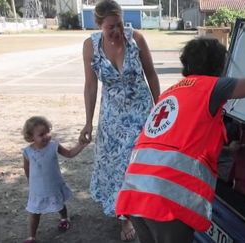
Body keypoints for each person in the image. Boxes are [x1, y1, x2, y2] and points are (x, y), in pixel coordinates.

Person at [115, 19, 245, 243]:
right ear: (219, 67)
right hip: (166, 198)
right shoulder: (213, 86)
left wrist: (225, 149)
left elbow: (180, 141)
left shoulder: (172, 92)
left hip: (135, 191)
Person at [78, 0, 160, 241]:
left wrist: (159, 106)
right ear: (99, 25)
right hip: (112, 118)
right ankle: (124, 218)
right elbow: (90, 86)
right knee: (117, 168)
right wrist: (87, 122)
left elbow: (151, 74)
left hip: (142, 113)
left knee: (140, 163)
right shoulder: (90, 46)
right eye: (110, 27)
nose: (117, 31)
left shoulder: (136, 39)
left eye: (120, 24)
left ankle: (144, 208)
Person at [22, 116, 87, 243]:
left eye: (47, 132)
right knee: (34, 211)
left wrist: (81, 145)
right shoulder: (27, 152)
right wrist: (30, 182)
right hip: (37, 188)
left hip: (54, 184)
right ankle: (31, 236)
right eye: (41, 134)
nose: (46, 136)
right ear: (31, 137)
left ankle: (64, 219)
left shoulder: (53, 146)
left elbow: (69, 154)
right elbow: (27, 168)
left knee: (59, 203)